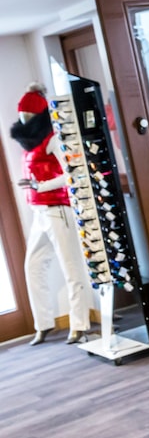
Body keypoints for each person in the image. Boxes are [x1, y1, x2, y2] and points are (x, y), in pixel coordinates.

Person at [9, 82, 92, 345]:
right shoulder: (29, 142)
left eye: (29, 114)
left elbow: (72, 174)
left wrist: (41, 186)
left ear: (39, 115)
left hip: (58, 210)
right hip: (39, 212)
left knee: (71, 267)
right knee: (33, 267)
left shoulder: (53, 138)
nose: (24, 118)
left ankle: (79, 324)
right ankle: (43, 323)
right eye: (22, 114)